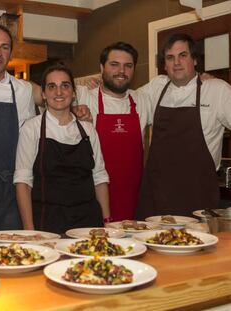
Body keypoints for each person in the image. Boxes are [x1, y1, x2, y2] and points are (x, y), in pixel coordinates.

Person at [0, 24, 91, 235]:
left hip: (10, 196)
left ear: (11, 53)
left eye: (4, 47)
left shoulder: (23, 90)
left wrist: (78, 108)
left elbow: (57, 94)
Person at [136, 33, 231, 218]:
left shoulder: (216, 90)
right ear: (164, 65)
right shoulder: (156, 87)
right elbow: (123, 103)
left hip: (197, 199)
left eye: (183, 55)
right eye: (170, 58)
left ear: (195, 60)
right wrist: (93, 90)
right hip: (156, 199)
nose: (176, 62)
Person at [14, 65, 110, 233]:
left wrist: (107, 222)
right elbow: (23, 183)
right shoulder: (31, 129)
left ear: (73, 92)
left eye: (65, 86)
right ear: (43, 94)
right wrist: (29, 230)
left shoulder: (87, 130)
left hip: (88, 222)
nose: (59, 92)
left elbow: (99, 178)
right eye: (52, 86)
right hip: (48, 223)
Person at [77, 42, 152, 221]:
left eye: (128, 66)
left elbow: (175, 84)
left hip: (132, 199)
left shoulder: (142, 100)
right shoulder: (83, 95)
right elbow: (48, 91)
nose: (121, 71)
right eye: (114, 65)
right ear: (101, 67)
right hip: (92, 198)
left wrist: (203, 78)